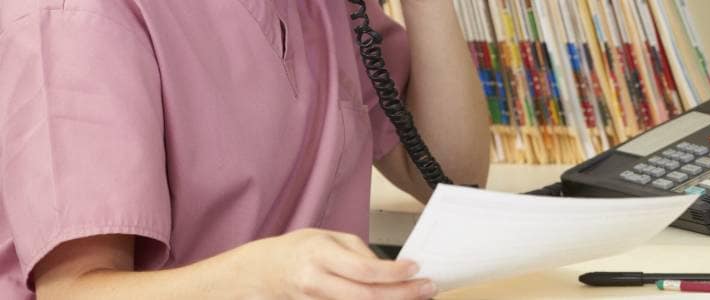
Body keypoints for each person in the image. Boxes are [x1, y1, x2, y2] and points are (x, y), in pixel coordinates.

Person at [0, 0, 490, 298]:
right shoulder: (76, 18)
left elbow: (453, 175)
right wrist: (266, 280)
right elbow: (76, 291)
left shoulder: (330, 10)